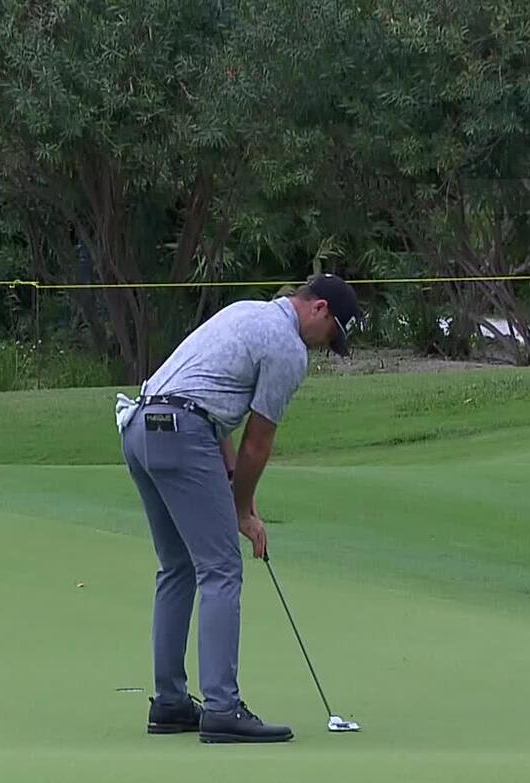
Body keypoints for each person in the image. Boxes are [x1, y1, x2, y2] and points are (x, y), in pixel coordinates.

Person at [114, 274, 362, 744]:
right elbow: (257, 443)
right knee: (222, 569)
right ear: (320, 310)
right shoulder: (288, 347)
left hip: (141, 428)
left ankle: (169, 703)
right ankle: (223, 708)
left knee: (177, 566)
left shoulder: (247, 312)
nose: (327, 348)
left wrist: (231, 485)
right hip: (182, 433)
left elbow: (212, 404)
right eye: (332, 336)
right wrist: (243, 510)